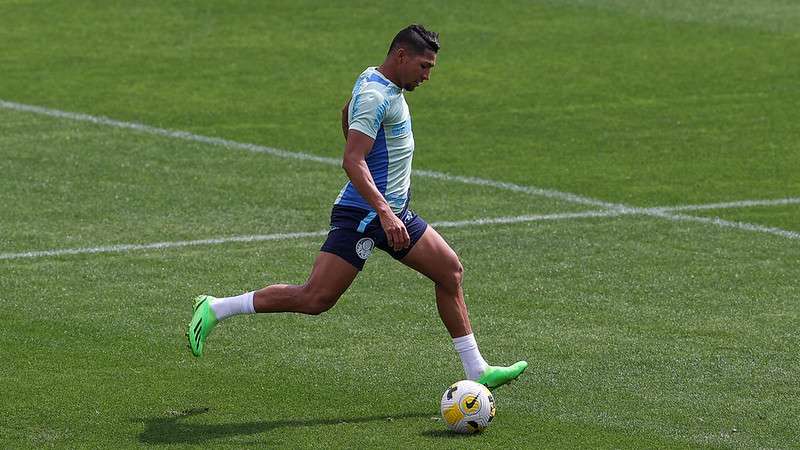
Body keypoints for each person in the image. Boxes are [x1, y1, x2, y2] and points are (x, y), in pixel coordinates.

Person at [187, 24, 527, 389]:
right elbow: (352, 160)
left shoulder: (377, 81)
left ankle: (477, 369)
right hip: (367, 216)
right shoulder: (375, 95)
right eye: (423, 66)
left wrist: (389, 209)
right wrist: (383, 211)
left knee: (450, 272)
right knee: (315, 298)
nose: (427, 75)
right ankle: (216, 308)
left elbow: (345, 113)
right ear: (401, 56)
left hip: (394, 214)